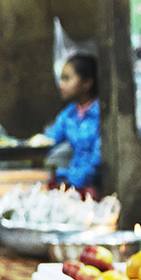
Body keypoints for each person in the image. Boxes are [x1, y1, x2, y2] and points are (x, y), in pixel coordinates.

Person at [43, 52, 101, 196]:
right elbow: (46, 142)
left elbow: (97, 163)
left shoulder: (100, 114)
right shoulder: (69, 114)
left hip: (94, 186)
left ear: (87, 83)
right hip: (74, 183)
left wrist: (68, 177)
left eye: (67, 79)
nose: (61, 85)